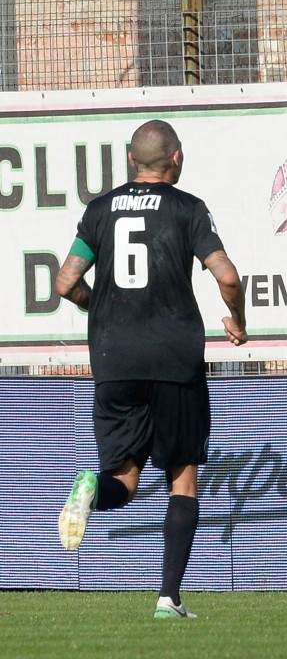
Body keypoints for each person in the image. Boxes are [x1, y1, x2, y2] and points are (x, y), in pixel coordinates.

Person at [54, 119, 247, 619]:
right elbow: (227, 275)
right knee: (182, 478)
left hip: (114, 359)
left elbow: (65, 281)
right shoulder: (187, 209)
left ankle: (93, 487)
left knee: (126, 478)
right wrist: (238, 321)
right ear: (176, 159)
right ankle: (169, 598)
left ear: (130, 160)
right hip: (173, 358)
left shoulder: (99, 211)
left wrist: (100, 308)